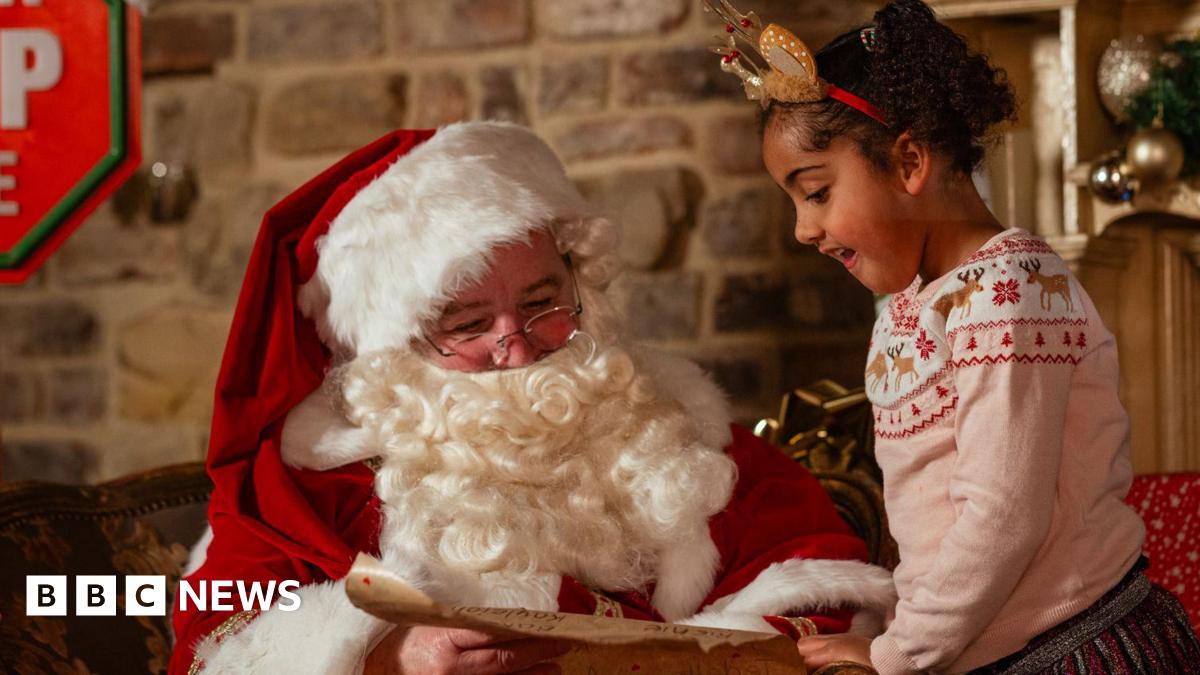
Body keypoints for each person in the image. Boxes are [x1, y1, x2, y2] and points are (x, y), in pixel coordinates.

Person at [168, 121, 897, 674]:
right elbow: (220, 643)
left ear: (580, 279)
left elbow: (806, 568)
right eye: (470, 325)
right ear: (394, 348)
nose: (517, 345)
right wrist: (389, 652)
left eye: (544, 301)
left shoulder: (665, 420)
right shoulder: (314, 481)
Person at [703, 0, 1200, 672]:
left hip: (1074, 648)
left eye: (816, 191)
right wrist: (892, 629)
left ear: (909, 161)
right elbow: (932, 525)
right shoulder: (911, 306)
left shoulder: (1009, 291)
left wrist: (896, 654)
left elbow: (1002, 519)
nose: (802, 229)